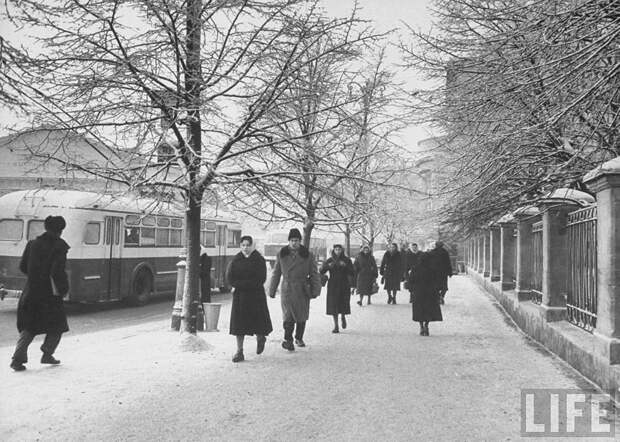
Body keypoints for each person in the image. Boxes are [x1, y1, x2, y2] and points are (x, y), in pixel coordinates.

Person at [10, 215, 70, 371]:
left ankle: (17, 360)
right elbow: (58, 271)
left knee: (29, 326)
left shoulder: (32, 244)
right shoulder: (60, 246)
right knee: (58, 325)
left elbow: (23, 267)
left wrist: (35, 275)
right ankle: (47, 353)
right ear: (60, 230)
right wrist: (63, 289)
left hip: (31, 291)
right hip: (50, 294)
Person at [268, 228, 321, 351]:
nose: (294, 243)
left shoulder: (307, 255)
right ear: (288, 241)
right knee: (288, 316)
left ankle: (299, 337)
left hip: (302, 288)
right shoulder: (282, 253)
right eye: (292, 240)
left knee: (301, 315)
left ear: (300, 241)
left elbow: (314, 274)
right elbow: (276, 272)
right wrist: (272, 289)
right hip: (287, 288)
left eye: (296, 240)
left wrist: (315, 289)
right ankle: (288, 339)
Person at [226, 236, 273, 363]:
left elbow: (261, 278)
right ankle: (239, 351)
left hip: (255, 295)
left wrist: (242, 284)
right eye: (243, 245)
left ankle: (260, 338)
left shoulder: (259, 260)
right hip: (240, 297)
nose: (245, 248)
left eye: (248, 245)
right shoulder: (236, 260)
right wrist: (238, 285)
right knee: (239, 325)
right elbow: (230, 277)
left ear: (252, 246)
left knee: (258, 321)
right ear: (240, 246)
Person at [320, 244, 354, 333]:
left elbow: (352, 272)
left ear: (342, 250)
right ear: (333, 251)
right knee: (333, 305)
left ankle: (343, 316)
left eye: (339, 249)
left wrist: (345, 266)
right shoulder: (330, 260)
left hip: (344, 284)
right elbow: (321, 271)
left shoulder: (347, 260)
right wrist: (327, 266)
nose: (338, 251)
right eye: (336, 249)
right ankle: (336, 326)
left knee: (343, 303)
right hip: (333, 285)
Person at [410, 251, 442, 336]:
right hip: (430, 293)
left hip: (418, 292)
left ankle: (421, 326)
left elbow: (411, 280)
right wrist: (437, 290)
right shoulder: (433, 269)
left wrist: (412, 290)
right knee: (429, 310)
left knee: (419, 310)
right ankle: (426, 325)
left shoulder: (415, 268)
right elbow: (437, 281)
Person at [429, 240, 453, 305]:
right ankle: (441, 296)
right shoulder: (445, 252)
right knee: (444, 287)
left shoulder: (432, 252)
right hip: (443, 273)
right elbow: (448, 263)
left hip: (434, 273)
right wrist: (450, 272)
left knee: (435, 287)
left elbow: (428, 263)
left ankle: (439, 297)